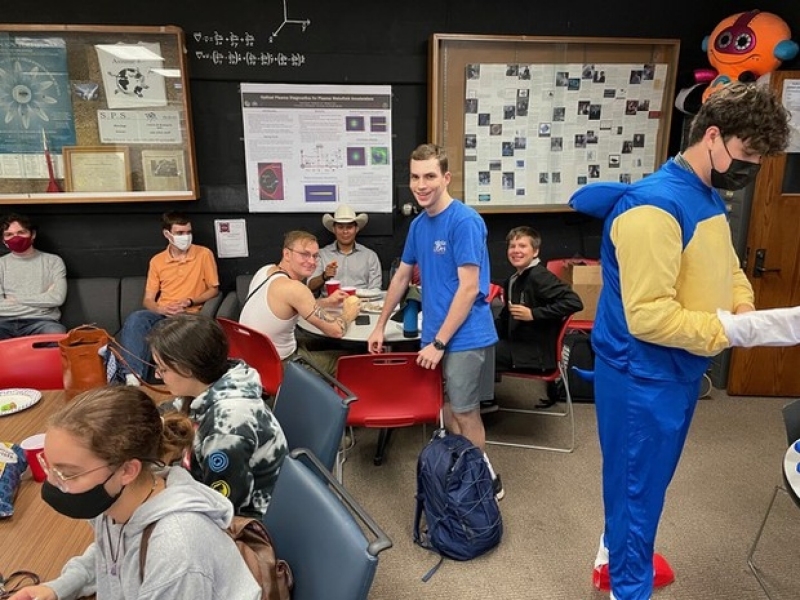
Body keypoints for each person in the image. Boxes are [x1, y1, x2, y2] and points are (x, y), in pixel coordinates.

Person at [569, 82, 792, 600]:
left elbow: (728, 267)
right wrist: (731, 331)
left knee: (644, 485)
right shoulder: (653, 210)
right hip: (641, 376)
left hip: (679, 371)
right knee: (635, 492)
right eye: (748, 154)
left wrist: (742, 308)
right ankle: (628, 587)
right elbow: (647, 317)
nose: (751, 167)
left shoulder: (707, 193)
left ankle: (614, 557)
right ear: (712, 136)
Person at [8, 386, 260, 600]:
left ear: (128, 470)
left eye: (68, 473)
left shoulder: (175, 549)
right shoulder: (117, 501)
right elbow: (113, 558)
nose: (52, 482)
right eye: (49, 466)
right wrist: (57, 588)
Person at [367, 143, 502, 499]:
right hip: (436, 335)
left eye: (429, 176)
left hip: (463, 335)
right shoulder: (418, 225)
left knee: (465, 411)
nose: (421, 184)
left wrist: (440, 343)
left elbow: (470, 288)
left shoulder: (465, 221)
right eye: (415, 176)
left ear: (446, 178)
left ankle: (480, 479)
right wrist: (380, 324)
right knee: (446, 406)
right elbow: (401, 277)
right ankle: (463, 468)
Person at [148, 313, 288, 518]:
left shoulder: (226, 430)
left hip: (249, 519)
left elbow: (222, 509)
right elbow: (172, 409)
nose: (157, 376)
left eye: (162, 369)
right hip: (209, 487)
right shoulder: (217, 382)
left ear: (187, 369)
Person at [481, 226, 583, 413]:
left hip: (535, 354)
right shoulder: (513, 279)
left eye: (522, 246)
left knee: (477, 354)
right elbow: (505, 318)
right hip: (519, 344)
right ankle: (484, 396)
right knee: (478, 343)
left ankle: (482, 402)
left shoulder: (540, 276)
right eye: (512, 246)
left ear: (535, 251)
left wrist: (533, 314)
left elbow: (574, 302)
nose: (516, 250)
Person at [239, 230, 361, 375]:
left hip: (253, 360)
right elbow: (336, 330)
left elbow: (292, 306)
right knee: (354, 358)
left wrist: (327, 302)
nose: (311, 262)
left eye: (315, 256)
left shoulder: (265, 271)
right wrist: (349, 313)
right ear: (287, 254)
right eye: (304, 254)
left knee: (331, 344)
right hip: (280, 366)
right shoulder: (296, 289)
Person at [118, 212, 219, 385]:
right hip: (163, 314)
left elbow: (214, 290)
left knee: (166, 329)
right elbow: (148, 299)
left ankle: (125, 363)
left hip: (188, 314)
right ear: (167, 234)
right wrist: (161, 309)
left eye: (188, 232)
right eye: (180, 233)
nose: (185, 237)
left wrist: (190, 301)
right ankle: (133, 379)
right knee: (137, 319)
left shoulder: (204, 254)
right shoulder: (157, 261)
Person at [0, 213, 67, 339]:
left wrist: (15, 299)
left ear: (33, 234)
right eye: (9, 234)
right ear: (3, 240)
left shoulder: (53, 261)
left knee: (56, 333)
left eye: (21, 232)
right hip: (3, 322)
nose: (16, 237)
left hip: (42, 322)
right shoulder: (1, 264)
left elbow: (57, 298)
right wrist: (42, 301)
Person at [307, 204, 382, 293]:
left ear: (356, 229)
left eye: (349, 227)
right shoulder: (322, 254)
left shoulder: (370, 256)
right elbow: (310, 286)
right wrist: (324, 276)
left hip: (360, 303)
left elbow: (375, 289)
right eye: (340, 227)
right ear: (334, 229)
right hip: (329, 304)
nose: (345, 231)